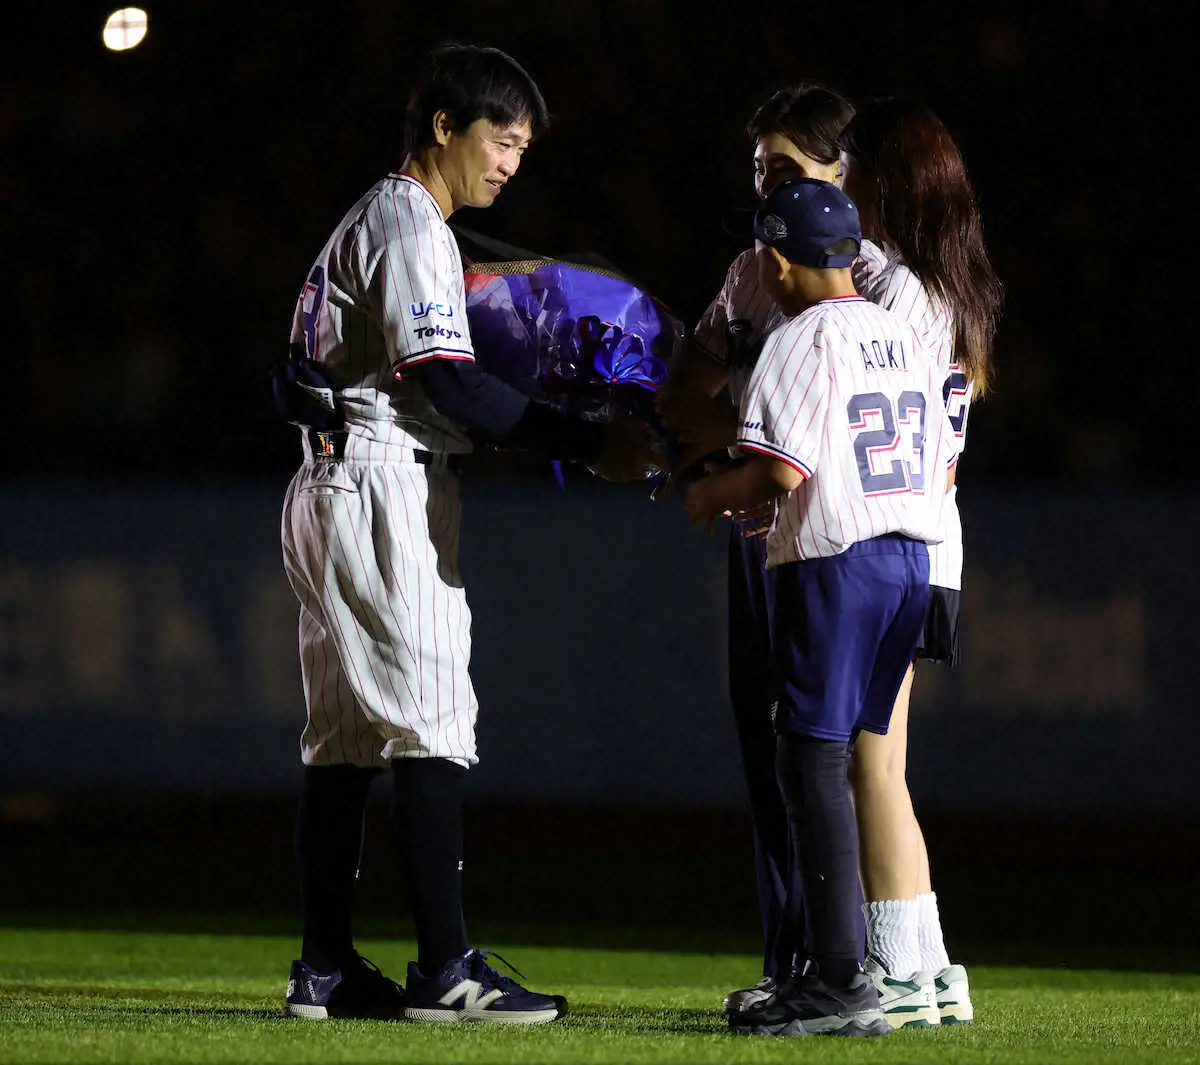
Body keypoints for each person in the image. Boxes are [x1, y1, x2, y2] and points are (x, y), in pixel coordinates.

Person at [277, 42, 652, 1024]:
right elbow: (443, 377)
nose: (510, 163)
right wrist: (583, 438)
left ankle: (322, 968)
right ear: (443, 125)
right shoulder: (407, 220)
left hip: (334, 478)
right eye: (500, 138)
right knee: (430, 724)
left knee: (347, 739)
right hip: (380, 486)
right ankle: (445, 967)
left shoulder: (374, 217)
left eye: (525, 147)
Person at [681, 176, 959, 1038]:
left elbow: (780, 470)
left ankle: (839, 976)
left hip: (840, 563)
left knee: (809, 758)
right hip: (914, 557)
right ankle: (847, 969)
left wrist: (707, 494)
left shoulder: (799, 339)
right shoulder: (900, 331)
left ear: (776, 258)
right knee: (843, 762)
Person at [655, 83, 856, 1015]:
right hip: (760, 538)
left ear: (839, 170)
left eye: (784, 166)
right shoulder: (749, 271)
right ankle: (792, 960)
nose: (765, 183)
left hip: (836, 540)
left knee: (843, 759)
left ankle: (864, 958)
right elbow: (692, 379)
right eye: (757, 168)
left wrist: (735, 406)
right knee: (771, 751)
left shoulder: (875, 276)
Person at [838, 96, 1004, 1027]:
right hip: (935, 539)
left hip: (895, 536)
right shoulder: (955, 289)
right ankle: (933, 966)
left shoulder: (892, 286)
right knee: (885, 761)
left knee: (873, 763)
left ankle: (901, 970)